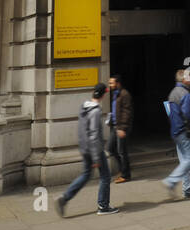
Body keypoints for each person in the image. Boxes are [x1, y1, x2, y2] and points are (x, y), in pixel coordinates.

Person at [56, 83, 118, 216]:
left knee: (85, 175)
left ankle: (64, 198)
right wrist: (96, 157)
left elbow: (82, 130)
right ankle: (103, 206)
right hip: (95, 149)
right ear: (103, 95)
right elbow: (94, 135)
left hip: (84, 147)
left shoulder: (84, 107)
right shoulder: (95, 111)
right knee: (105, 176)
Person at [161, 68, 190, 199]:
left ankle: (187, 189)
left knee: (185, 160)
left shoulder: (174, 92)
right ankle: (171, 181)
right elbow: (188, 113)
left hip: (176, 131)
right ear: (183, 79)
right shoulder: (185, 93)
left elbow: (170, 113)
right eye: (189, 76)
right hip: (185, 130)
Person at [107, 74, 134, 182]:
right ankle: (124, 168)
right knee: (110, 148)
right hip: (115, 126)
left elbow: (127, 112)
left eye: (111, 83)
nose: (110, 85)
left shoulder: (124, 94)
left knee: (122, 151)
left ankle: (126, 174)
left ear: (117, 83)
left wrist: (122, 128)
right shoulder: (115, 94)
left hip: (121, 127)